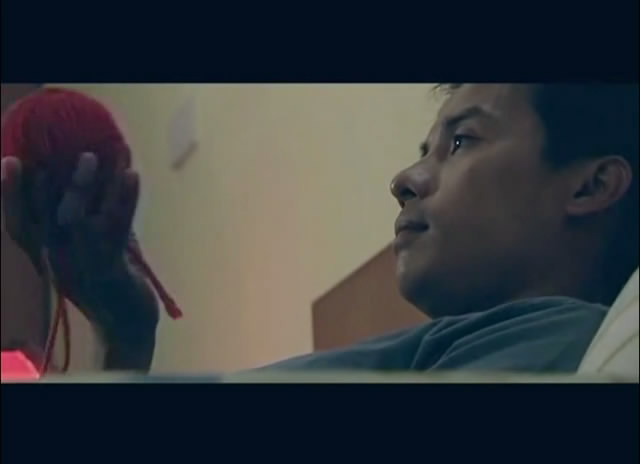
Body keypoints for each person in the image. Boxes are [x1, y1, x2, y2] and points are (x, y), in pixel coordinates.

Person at [1, 84, 638, 373]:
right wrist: (123, 336)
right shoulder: (440, 352)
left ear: (590, 186)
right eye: (424, 149)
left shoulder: (558, 341)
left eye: (461, 141)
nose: (405, 178)